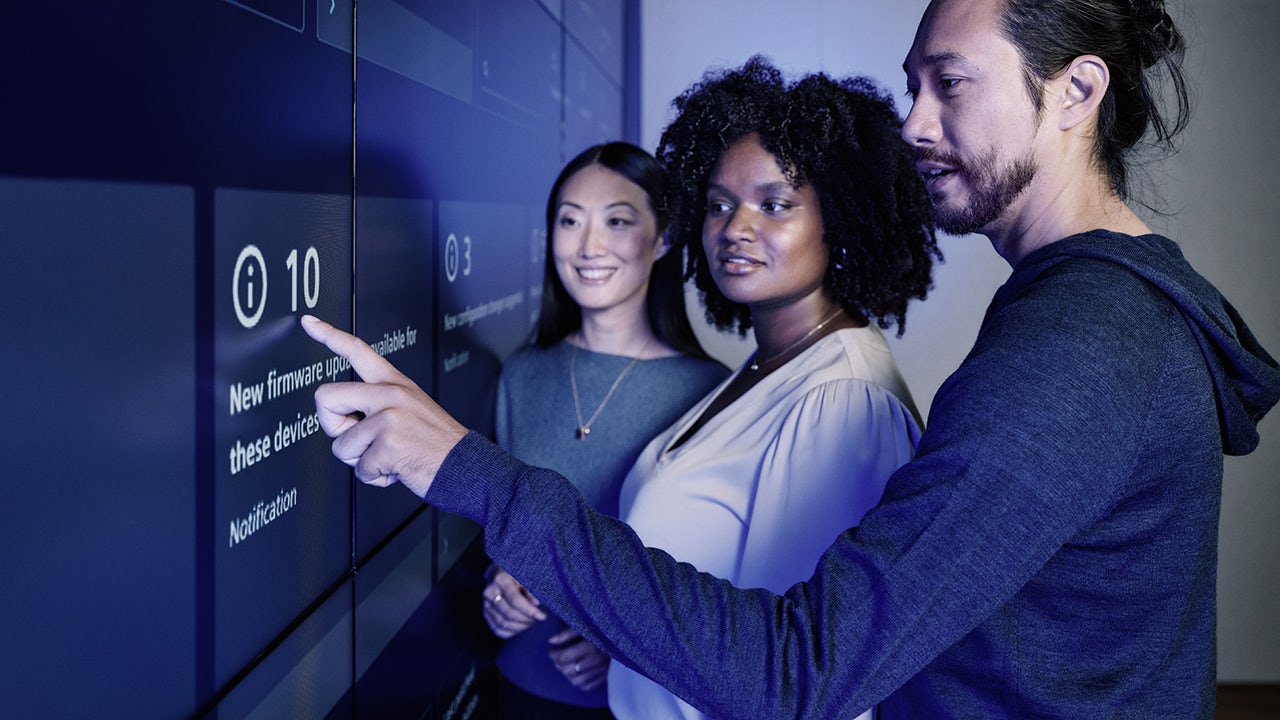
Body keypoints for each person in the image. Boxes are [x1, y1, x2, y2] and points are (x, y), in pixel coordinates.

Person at [301, 0, 1280, 716]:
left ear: (1076, 92)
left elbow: (803, 672)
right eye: (913, 85)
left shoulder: (1080, 346)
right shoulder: (1062, 318)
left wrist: (461, 467)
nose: (914, 123)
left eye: (950, 83)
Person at [605, 58, 937, 720]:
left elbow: (806, 678)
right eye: (719, 204)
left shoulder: (844, 400)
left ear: (838, 222)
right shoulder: (769, 366)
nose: (735, 228)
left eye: (775, 204)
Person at [481, 142, 728, 719]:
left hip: (636, 706)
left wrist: (628, 650)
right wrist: (498, 585)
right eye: (570, 221)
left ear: (663, 239)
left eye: (617, 221)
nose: (589, 247)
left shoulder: (708, 392)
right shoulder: (521, 374)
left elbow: (717, 577)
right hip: (516, 691)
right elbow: (499, 525)